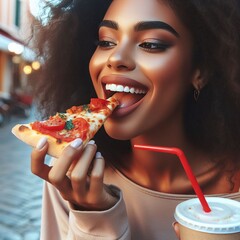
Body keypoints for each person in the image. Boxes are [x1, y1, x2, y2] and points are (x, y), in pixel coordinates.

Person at [30, 0, 240, 239]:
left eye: (151, 44)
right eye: (106, 42)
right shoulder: (72, 178)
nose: (116, 57)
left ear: (200, 71)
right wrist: (94, 217)